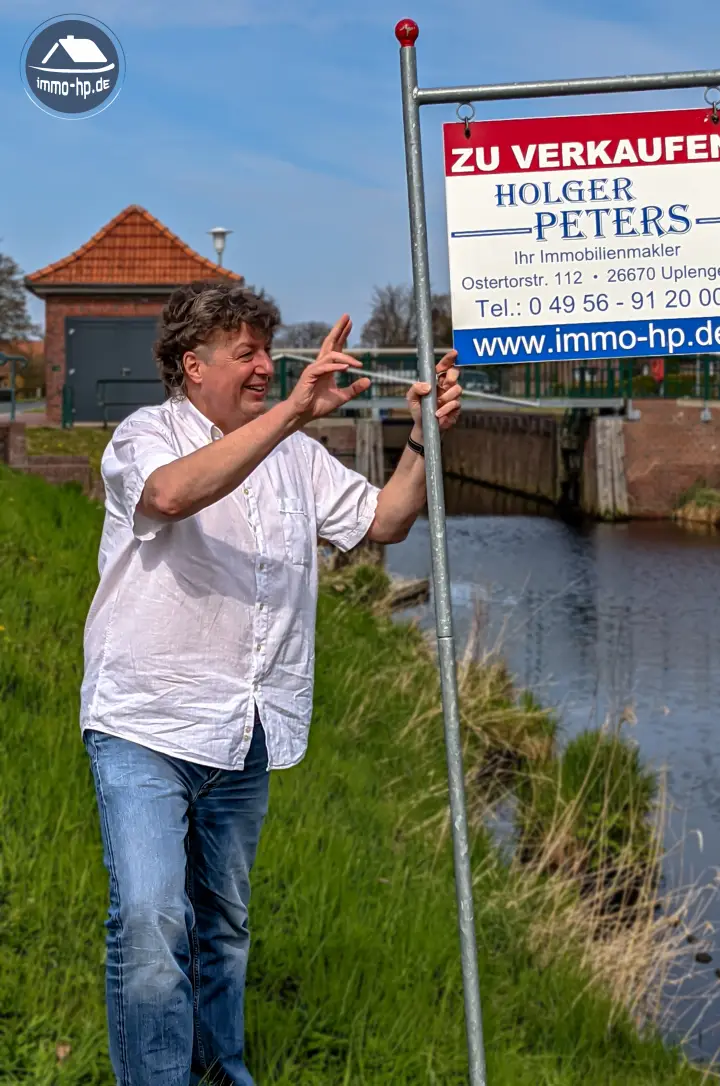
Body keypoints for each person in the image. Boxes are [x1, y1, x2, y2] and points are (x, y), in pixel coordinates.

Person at [80, 280, 463, 1086]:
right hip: (143, 724)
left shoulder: (296, 457)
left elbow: (384, 523)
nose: (264, 368)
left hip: (244, 728)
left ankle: (223, 1071)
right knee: (152, 923)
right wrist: (290, 411)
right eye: (246, 354)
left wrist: (423, 439)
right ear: (193, 364)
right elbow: (172, 494)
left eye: (266, 351)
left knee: (221, 927)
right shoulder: (143, 435)